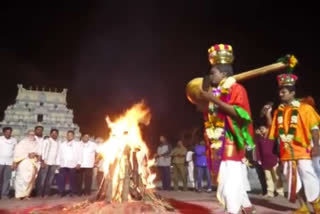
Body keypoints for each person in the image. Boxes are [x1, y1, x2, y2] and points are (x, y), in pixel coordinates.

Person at [199, 44, 255, 214]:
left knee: (229, 184)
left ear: (224, 73)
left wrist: (214, 100)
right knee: (227, 182)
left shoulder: (237, 89)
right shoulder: (214, 92)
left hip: (232, 140)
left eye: (213, 72)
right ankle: (244, 208)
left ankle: (233, 210)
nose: (210, 76)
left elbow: (240, 114)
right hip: (218, 142)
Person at [266, 66, 320, 214]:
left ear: (293, 93)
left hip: (303, 151)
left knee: (309, 179)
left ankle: (317, 206)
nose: (280, 94)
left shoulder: (305, 109)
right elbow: (274, 131)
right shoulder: (279, 111)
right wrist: (268, 115)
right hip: (286, 153)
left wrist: (316, 146)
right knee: (293, 183)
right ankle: (303, 207)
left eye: (283, 91)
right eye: (280, 91)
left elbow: (314, 128)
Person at [255, 123, 284, 198]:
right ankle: (270, 192)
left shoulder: (271, 137)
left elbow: (277, 147)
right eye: (260, 129)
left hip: (273, 160)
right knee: (268, 178)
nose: (262, 130)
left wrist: (279, 157)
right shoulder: (259, 139)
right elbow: (258, 150)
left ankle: (280, 192)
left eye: (263, 128)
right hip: (264, 161)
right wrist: (258, 159)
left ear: (267, 129)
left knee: (277, 177)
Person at [13, 130, 41, 200]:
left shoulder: (37, 143)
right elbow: (17, 152)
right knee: (21, 178)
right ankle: (19, 195)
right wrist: (28, 154)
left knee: (30, 179)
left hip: (32, 163)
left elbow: (39, 152)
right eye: (30, 134)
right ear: (27, 135)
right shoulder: (22, 143)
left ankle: (26, 195)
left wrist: (35, 154)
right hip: (24, 162)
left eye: (33, 134)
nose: (32, 136)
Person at [57, 130, 83, 197]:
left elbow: (80, 154)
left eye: (71, 135)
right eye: (68, 135)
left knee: (72, 179)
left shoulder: (77, 144)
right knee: (62, 179)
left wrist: (79, 163)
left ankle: (72, 192)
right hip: (63, 164)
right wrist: (58, 164)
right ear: (66, 136)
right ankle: (61, 192)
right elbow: (59, 154)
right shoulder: (62, 144)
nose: (69, 136)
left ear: (73, 136)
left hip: (72, 164)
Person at [36, 129, 60, 197]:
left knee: (50, 180)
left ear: (57, 134)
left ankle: (46, 193)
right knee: (42, 179)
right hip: (46, 162)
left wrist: (57, 164)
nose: (54, 134)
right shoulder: (46, 141)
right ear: (50, 134)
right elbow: (42, 151)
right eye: (53, 133)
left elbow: (58, 154)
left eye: (56, 133)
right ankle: (39, 194)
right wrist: (43, 161)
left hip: (53, 164)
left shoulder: (58, 143)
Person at [0, 127, 17, 199]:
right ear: (3, 133)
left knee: (6, 179)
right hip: (0, 161)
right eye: (7, 132)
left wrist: (14, 162)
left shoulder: (14, 140)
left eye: (9, 132)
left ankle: (4, 194)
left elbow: (15, 152)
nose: (8, 133)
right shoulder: (0, 139)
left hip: (9, 162)